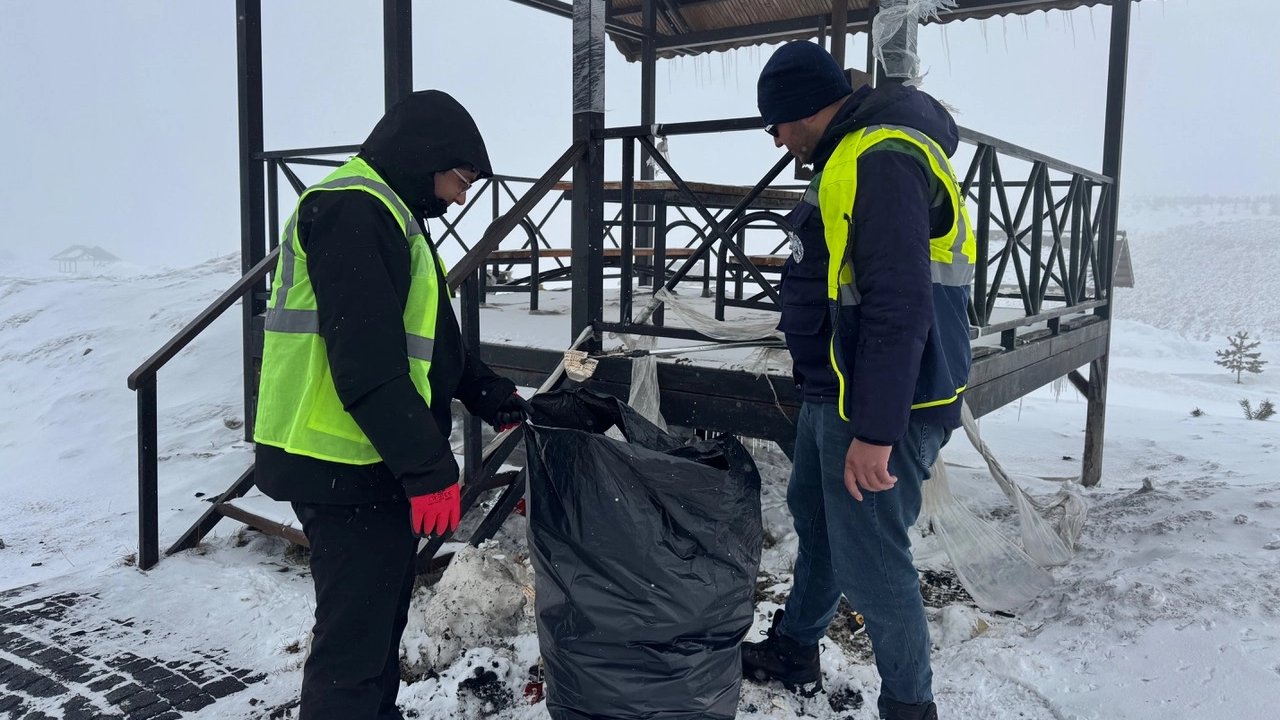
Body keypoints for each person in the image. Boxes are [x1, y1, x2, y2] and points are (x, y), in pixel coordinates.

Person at [252, 89, 532, 720]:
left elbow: (431, 344)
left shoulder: (392, 214)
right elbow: (367, 365)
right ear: (423, 155)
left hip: (366, 460)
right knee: (353, 647)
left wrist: (489, 393)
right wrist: (429, 468)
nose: (459, 196)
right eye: (459, 178)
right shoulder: (354, 210)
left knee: (377, 627)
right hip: (338, 463)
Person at [742, 42, 975, 720]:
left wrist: (875, 430)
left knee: (873, 563)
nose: (778, 140)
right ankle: (794, 649)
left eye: (776, 124)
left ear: (801, 108)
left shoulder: (884, 157)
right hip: (836, 390)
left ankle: (910, 706)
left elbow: (898, 300)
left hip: (885, 403)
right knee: (817, 525)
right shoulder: (847, 155)